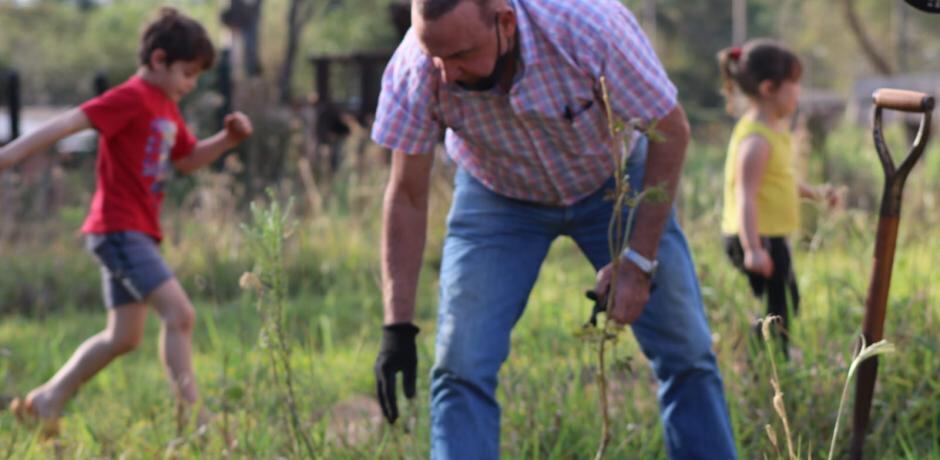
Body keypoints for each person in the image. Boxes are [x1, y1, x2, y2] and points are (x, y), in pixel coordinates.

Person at [370, 0, 737, 458]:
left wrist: (639, 260)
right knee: (460, 365)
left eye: (461, 56)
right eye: (437, 58)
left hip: (615, 184)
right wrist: (397, 326)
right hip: (498, 198)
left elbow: (671, 129)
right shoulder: (416, 68)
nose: (446, 74)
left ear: (505, 21)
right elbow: (406, 193)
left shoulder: (589, 28)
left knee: (687, 352)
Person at [0, 7, 252, 438]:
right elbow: (66, 124)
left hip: (138, 232)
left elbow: (187, 160)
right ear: (158, 60)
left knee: (124, 337)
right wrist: (6, 157)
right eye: (188, 73)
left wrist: (226, 141)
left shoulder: (167, 107)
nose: (191, 85)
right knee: (181, 314)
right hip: (118, 229)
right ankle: (194, 422)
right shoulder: (131, 97)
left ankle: (47, 400)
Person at [717, 39, 840, 359]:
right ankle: (768, 362)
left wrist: (815, 194)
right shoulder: (756, 140)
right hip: (756, 238)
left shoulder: (775, 129)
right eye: (794, 84)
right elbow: (745, 195)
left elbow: (781, 180)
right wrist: (754, 249)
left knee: (785, 300)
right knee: (779, 306)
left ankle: (765, 355)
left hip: (770, 237)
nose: (799, 92)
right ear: (770, 88)